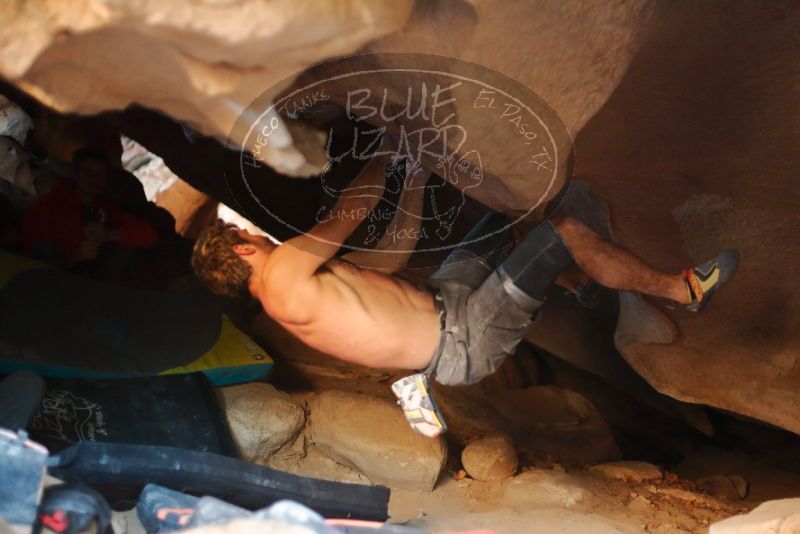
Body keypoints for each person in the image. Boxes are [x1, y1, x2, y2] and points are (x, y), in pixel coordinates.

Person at [191, 152, 739, 435]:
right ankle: (682, 289)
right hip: (464, 338)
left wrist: (414, 178)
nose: (257, 234)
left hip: (443, 301)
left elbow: (392, 254)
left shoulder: (291, 289)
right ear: (241, 250)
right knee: (564, 232)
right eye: (247, 234)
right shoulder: (280, 272)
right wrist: (388, 153)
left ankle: (576, 281)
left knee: (503, 224)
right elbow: (349, 213)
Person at [21, 147, 158, 277]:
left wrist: (109, 235)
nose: (95, 179)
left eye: (101, 174)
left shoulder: (103, 207)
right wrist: (75, 256)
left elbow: (148, 235)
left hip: (88, 279)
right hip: (52, 282)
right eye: (88, 173)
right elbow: (33, 252)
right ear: (76, 173)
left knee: (124, 249)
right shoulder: (50, 205)